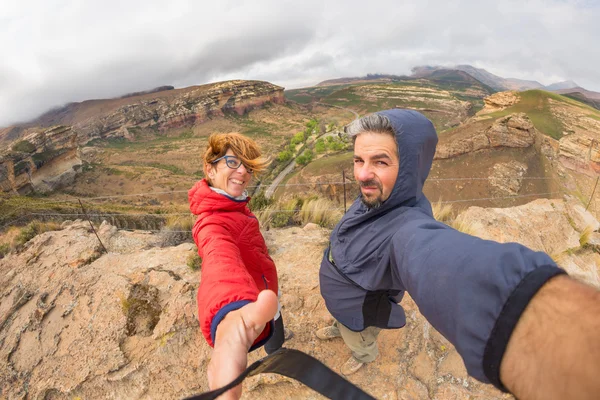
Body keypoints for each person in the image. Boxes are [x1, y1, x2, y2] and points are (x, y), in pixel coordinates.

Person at [202, 111, 600, 400]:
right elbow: (218, 247)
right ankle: (344, 328)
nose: (362, 174)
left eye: (380, 162)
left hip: (363, 312)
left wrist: (529, 317)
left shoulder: (407, 228)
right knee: (344, 325)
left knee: (360, 338)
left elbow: (446, 262)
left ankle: (364, 350)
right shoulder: (376, 197)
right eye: (359, 160)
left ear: (407, 167)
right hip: (344, 303)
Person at [188, 132, 291, 399]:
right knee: (269, 319)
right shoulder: (212, 222)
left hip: (265, 292)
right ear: (210, 169)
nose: (243, 172)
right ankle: (275, 355)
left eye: (248, 167)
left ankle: (275, 351)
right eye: (232, 162)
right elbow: (219, 260)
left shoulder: (233, 206)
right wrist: (230, 314)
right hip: (250, 299)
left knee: (275, 322)